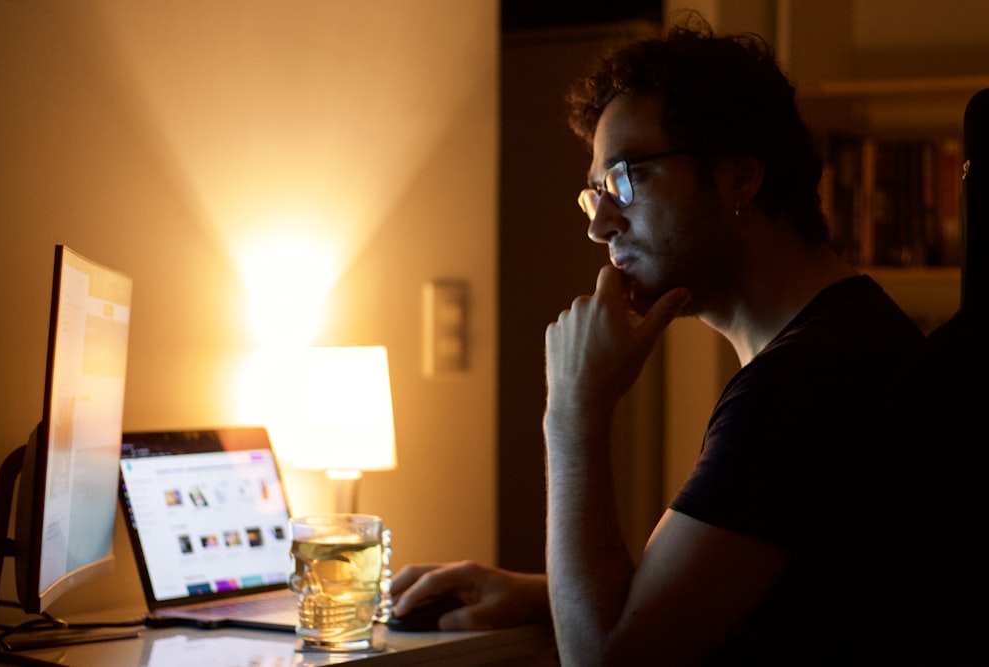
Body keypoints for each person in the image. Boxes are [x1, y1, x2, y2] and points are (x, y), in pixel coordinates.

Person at [392, 17, 925, 665]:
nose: (601, 228)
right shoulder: (845, 338)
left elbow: (606, 659)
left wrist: (572, 413)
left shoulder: (804, 385)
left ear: (739, 178)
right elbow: (772, 604)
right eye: (595, 196)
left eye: (624, 179)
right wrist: (543, 594)